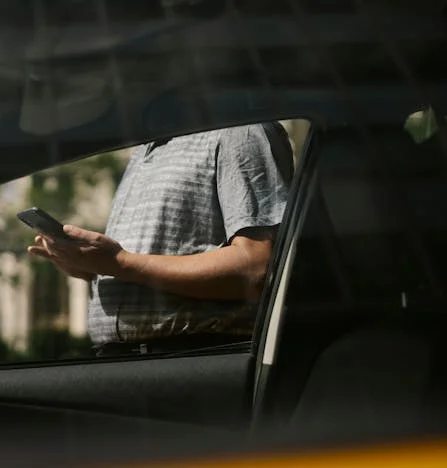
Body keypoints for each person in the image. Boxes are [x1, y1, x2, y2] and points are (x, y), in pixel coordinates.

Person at [28, 123, 291, 356]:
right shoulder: (145, 149)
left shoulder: (239, 131)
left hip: (193, 357)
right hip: (131, 362)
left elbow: (256, 268)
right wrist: (91, 266)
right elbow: (140, 265)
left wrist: (118, 263)